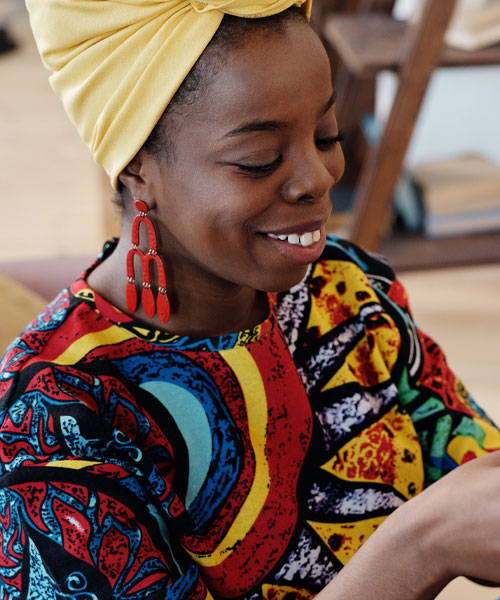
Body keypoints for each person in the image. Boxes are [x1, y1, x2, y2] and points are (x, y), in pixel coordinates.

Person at [1, 1, 500, 598]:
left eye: (326, 135)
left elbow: (467, 462)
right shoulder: (55, 421)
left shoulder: (346, 290)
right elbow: (440, 528)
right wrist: (421, 546)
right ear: (137, 167)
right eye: (259, 160)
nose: (316, 178)